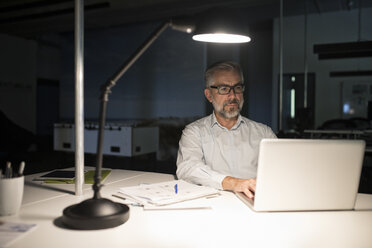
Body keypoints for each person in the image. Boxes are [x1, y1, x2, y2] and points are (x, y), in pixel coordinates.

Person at [176, 61, 276, 199]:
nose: (233, 96)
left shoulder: (264, 133)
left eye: (238, 88)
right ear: (209, 95)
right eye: (224, 89)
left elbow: (280, 172)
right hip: (213, 206)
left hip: (255, 202)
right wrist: (233, 183)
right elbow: (188, 168)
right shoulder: (194, 132)